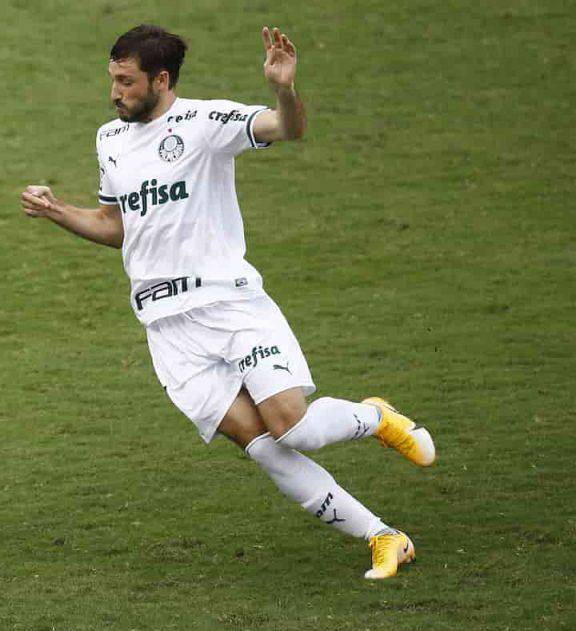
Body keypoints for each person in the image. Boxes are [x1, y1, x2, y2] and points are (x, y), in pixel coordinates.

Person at [21, 25, 434, 579]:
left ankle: (373, 416)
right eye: (112, 80)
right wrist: (56, 212)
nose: (114, 92)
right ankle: (382, 536)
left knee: (293, 427)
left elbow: (287, 128)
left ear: (161, 80)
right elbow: (116, 225)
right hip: (166, 328)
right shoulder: (110, 140)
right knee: (262, 445)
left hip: (229, 306)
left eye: (126, 81)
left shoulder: (204, 123)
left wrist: (284, 89)